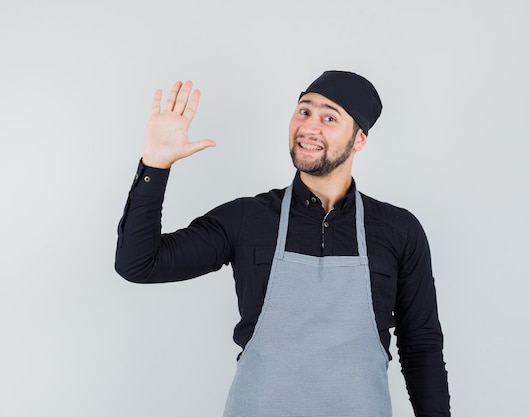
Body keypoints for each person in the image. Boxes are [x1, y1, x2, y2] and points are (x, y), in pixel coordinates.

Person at [115, 71, 451, 417]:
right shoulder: (249, 219)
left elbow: (421, 347)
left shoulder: (398, 230)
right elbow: (139, 264)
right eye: (304, 111)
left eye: (329, 117)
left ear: (359, 139)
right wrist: (155, 165)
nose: (309, 127)